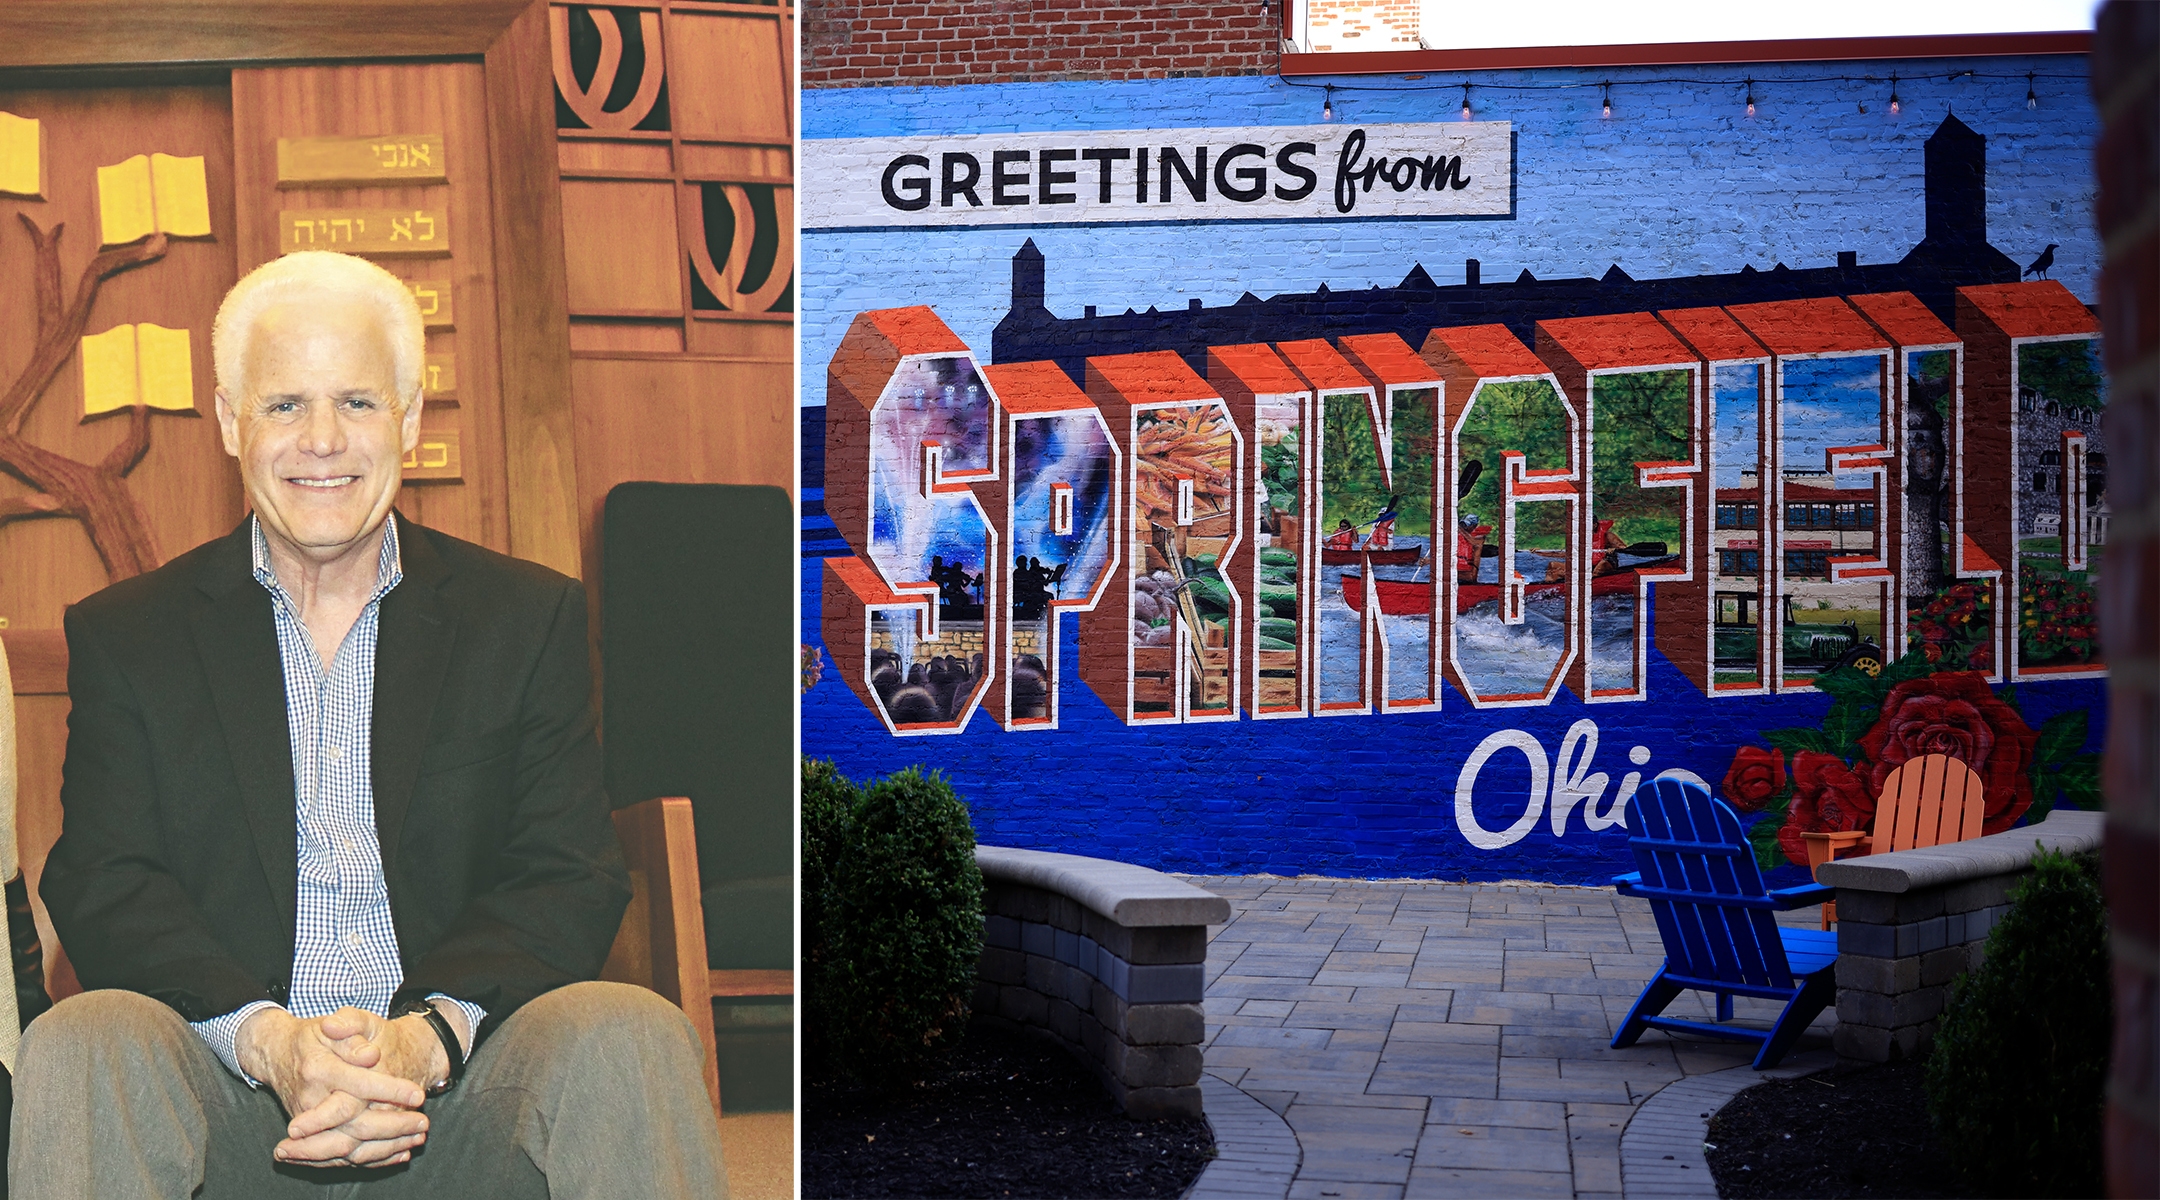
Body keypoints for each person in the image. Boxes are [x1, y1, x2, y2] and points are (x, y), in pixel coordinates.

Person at [11, 252, 728, 1197]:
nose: (321, 440)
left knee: (632, 1034)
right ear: (230, 422)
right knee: (80, 1041)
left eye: (356, 402)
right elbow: (104, 879)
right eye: (282, 405)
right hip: (229, 1101)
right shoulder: (130, 637)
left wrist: (423, 1041)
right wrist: (271, 1044)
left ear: (410, 417)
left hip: (458, 1098)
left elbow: (566, 871)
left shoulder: (524, 618)